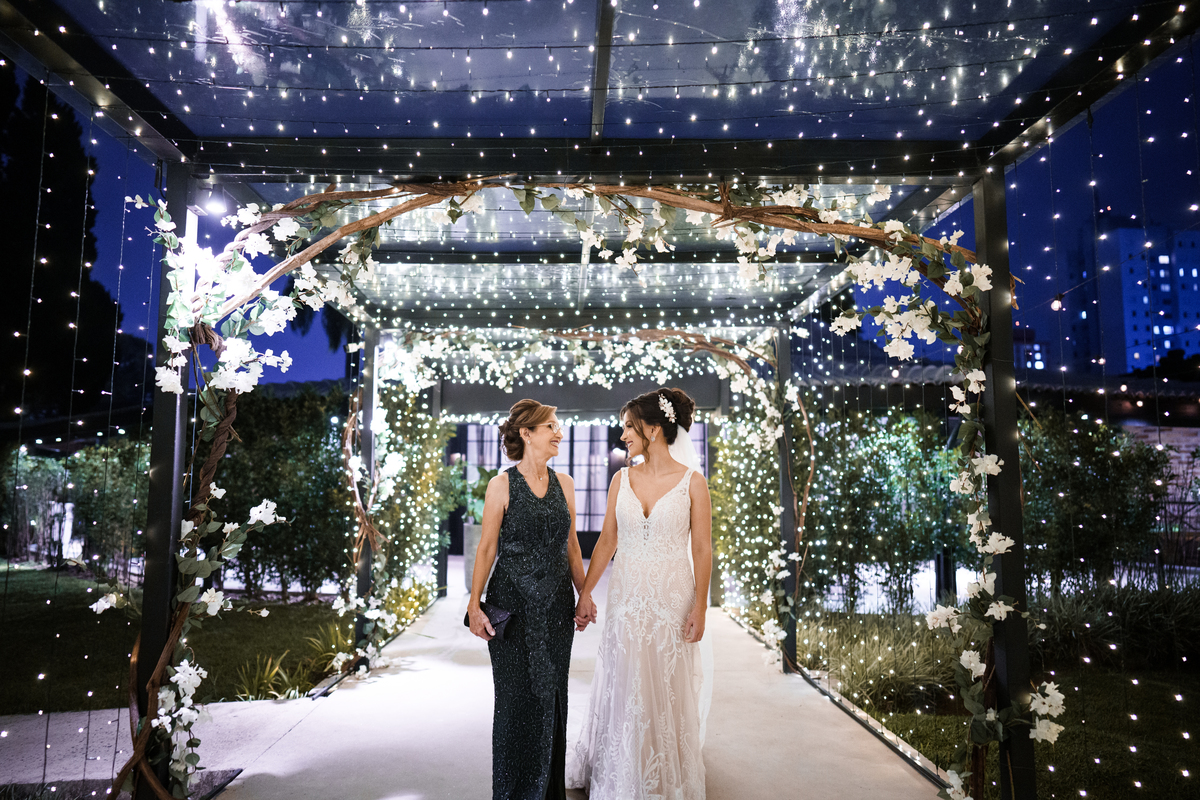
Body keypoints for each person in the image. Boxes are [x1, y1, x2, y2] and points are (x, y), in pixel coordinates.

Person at [567, 387, 713, 800]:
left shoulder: (693, 483)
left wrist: (700, 607)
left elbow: (702, 549)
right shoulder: (622, 479)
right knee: (626, 681)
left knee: (665, 686)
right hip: (627, 597)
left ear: (653, 429)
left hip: (673, 600)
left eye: (629, 427)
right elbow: (607, 541)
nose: (623, 434)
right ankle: (622, 769)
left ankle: (663, 774)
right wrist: (585, 593)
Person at [467, 399, 588, 800]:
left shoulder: (565, 483)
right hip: (512, 608)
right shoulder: (501, 485)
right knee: (514, 703)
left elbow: (572, 546)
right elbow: (487, 548)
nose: (558, 433)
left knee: (552, 698)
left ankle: (547, 793)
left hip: (556, 609)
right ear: (526, 433)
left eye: (558, 426)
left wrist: (584, 594)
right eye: (551, 426)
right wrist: (474, 605)